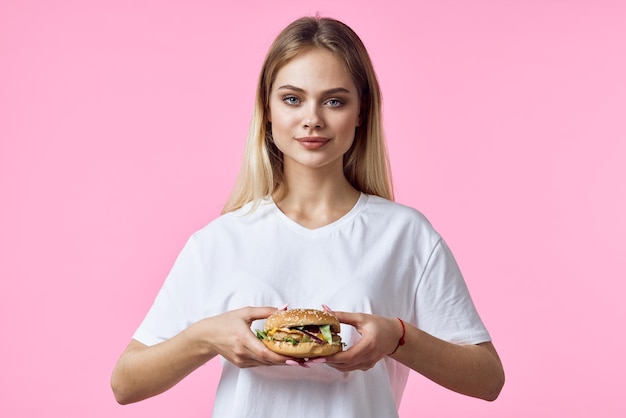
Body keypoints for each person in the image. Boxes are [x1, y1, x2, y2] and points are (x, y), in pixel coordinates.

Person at [111, 15, 505, 417]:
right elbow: (126, 383)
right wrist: (206, 338)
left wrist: (399, 338)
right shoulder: (220, 240)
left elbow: (488, 379)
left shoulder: (405, 235)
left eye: (334, 100)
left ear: (361, 112)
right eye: (292, 98)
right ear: (267, 109)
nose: (312, 118)